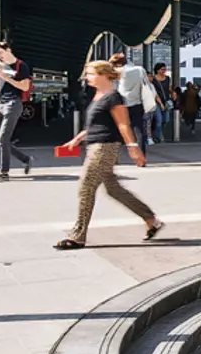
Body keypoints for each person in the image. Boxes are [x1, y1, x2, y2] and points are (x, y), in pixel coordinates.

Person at [55, 60, 162, 250]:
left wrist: (133, 147)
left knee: (86, 187)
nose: (87, 77)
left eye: (90, 73)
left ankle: (77, 236)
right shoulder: (98, 95)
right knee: (113, 189)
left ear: (105, 75)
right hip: (95, 145)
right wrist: (76, 140)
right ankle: (151, 220)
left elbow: (123, 124)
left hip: (104, 148)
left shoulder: (114, 97)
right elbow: (95, 126)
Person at [0, 41, 36, 180]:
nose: (0, 56)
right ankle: (26, 159)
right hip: (0, 103)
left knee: (3, 139)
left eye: (1, 53)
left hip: (13, 102)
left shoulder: (21, 66)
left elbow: (25, 87)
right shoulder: (0, 66)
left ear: (8, 50)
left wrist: (6, 78)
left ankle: (4, 172)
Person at [150, 63, 173, 143]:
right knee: (159, 120)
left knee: (166, 119)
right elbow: (154, 92)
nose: (164, 71)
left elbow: (169, 88)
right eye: (162, 69)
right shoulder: (153, 79)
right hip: (156, 101)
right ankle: (159, 137)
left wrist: (173, 92)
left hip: (166, 101)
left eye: (165, 69)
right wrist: (160, 104)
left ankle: (157, 132)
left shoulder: (167, 78)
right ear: (157, 70)